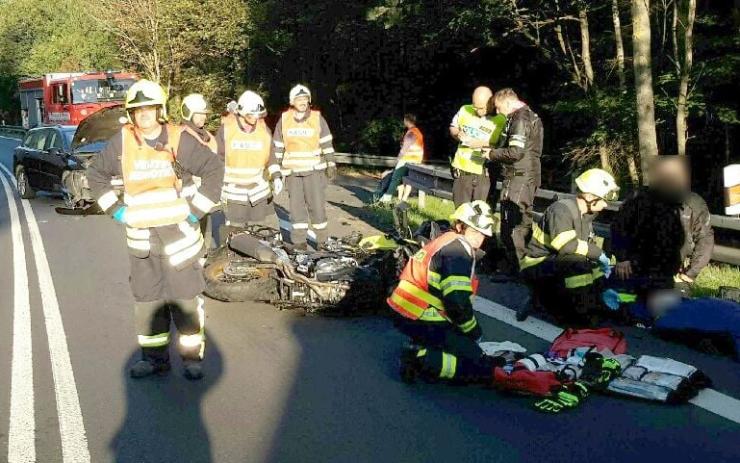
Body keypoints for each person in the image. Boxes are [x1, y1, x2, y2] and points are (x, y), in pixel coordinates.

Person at [87, 80, 224, 380]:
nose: (144, 115)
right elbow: (95, 174)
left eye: (149, 109)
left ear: (159, 111)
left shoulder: (178, 139)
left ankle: (191, 358)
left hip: (179, 241)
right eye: (137, 110)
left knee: (186, 300)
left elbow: (214, 170)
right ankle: (153, 358)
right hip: (142, 240)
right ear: (131, 114)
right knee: (148, 302)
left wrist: (195, 211)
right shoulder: (121, 143)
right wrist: (116, 210)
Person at [389, 200, 496, 384]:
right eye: (475, 231)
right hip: (421, 315)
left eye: (482, 234)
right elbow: (457, 301)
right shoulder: (458, 252)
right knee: (479, 365)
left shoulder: (447, 240)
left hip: (406, 311)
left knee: (461, 345)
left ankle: (423, 346)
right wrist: (473, 332)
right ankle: (418, 360)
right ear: (460, 226)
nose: (479, 238)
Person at [519, 169, 620, 323]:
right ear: (589, 196)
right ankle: (576, 313)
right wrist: (598, 253)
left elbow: (584, 251)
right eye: (603, 199)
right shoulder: (561, 210)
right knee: (576, 263)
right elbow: (566, 246)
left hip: (555, 264)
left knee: (591, 265)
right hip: (536, 265)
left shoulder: (585, 216)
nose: (605, 204)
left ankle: (589, 303)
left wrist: (602, 288)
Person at [612, 155, 714, 296]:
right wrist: (622, 258)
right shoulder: (638, 198)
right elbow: (619, 226)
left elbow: (705, 239)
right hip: (634, 268)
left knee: (670, 312)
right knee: (628, 306)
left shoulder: (694, 203)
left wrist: (691, 273)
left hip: (672, 273)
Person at [485, 88, 544, 276]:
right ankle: (522, 268)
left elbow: (515, 152)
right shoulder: (529, 115)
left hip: (520, 176)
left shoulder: (520, 118)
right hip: (526, 175)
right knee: (522, 222)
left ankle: (515, 269)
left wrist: (491, 154)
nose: (498, 111)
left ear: (509, 102)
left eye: (499, 107)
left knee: (513, 224)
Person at [272, 84, 337, 249]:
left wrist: (331, 163)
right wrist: (276, 172)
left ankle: (322, 241)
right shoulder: (284, 120)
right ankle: (299, 242)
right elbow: (278, 147)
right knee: (296, 210)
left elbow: (326, 143)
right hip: (293, 174)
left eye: (305, 99)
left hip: (313, 172)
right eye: (299, 99)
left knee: (317, 208)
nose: (302, 102)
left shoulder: (317, 118)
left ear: (309, 101)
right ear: (292, 101)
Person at [216, 90, 282, 242]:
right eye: (251, 115)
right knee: (236, 237)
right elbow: (217, 160)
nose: (255, 118)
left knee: (262, 234)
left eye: (257, 115)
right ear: (242, 112)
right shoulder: (226, 130)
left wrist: (277, 176)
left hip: (259, 193)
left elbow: (270, 155)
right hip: (234, 194)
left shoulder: (263, 130)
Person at [449, 86, 506, 207]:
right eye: (474, 105)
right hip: (462, 172)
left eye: (479, 108)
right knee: (461, 215)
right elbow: (453, 127)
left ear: (490, 104)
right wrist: (458, 134)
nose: (475, 110)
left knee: (481, 216)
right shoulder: (465, 109)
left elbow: (503, 146)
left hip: (484, 174)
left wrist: (481, 144)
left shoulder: (501, 119)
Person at [179, 93, 218, 247]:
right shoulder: (181, 136)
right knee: (188, 237)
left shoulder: (206, 136)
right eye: (199, 114)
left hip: (203, 195)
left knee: (202, 236)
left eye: (204, 114)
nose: (203, 117)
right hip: (187, 196)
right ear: (188, 113)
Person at [377, 113, 425, 204]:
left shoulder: (411, 132)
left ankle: (385, 199)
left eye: (404, 120)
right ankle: (402, 200)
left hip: (407, 159)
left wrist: (398, 159)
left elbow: (404, 149)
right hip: (416, 161)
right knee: (408, 180)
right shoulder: (418, 132)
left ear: (407, 121)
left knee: (395, 178)